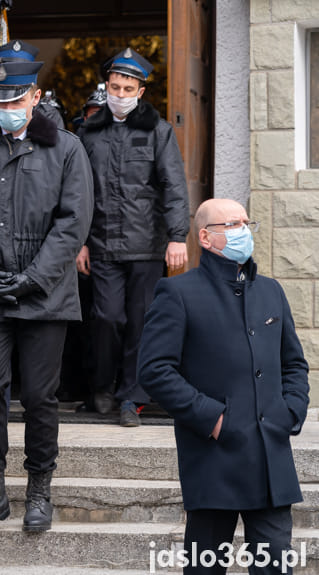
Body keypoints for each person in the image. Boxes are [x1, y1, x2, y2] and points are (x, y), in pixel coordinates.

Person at [0, 60, 93, 542]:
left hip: (45, 293)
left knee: (39, 396)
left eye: (15, 101)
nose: (6, 109)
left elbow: (73, 222)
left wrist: (33, 278)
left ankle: (39, 489)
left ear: (34, 97)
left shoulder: (67, 148)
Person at [138, 198, 309, 575]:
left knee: (275, 566)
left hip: (271, 458)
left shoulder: (271, 291)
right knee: (205, 568)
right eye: (233, 224)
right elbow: (154, 371)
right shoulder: (178, 293)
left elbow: (293, 363)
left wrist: (290, 411)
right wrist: (214, 419)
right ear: (206, 237)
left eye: (247, 223)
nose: (244, 231)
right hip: (214, 457)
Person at [76, 47, 190, 426]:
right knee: (106, 318)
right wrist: (79, 241)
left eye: (128, 88)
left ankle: (131, 398)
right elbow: (77, 192)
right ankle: (102, 386)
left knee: (140, 322)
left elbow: (174, 186)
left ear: (141, 92)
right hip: (103, 245)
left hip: (147, 246)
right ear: (105, 87)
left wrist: (178, 237)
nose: (120, 95)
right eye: (114, 87)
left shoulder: (159, 132)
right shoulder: (89, 133)